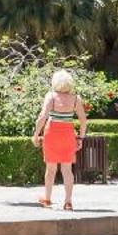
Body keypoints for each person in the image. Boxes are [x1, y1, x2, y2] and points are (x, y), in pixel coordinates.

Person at [33, 69, 89, 210]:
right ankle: (68, 202)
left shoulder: (50, 96)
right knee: (67, 169)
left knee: (50, 169)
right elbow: (83, 119)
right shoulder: (76, 99)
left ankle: (47, 199)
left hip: (51, 134)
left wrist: (35, 134)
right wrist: (81, 137)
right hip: (68, 135)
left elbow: (42, 117)